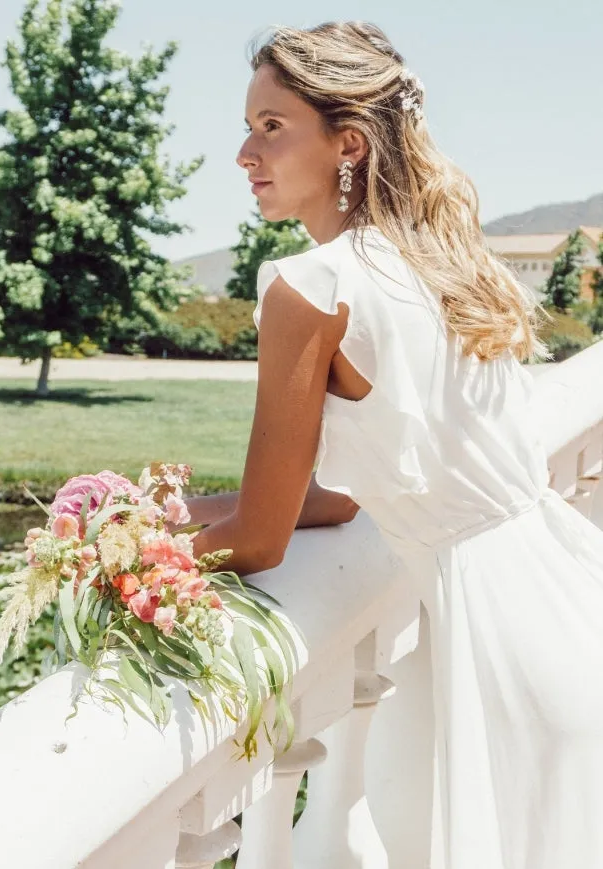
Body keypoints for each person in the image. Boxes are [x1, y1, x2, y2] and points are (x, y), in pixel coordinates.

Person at [180, 21, 603, 869]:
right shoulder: (437, 262)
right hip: (567, 597)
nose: (242, 153)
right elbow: (345, 494)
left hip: (495, 654)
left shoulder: (310, 287)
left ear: (349, 144)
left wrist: (122, 548)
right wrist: (190, 509)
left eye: (271, 127)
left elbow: (261, 539)